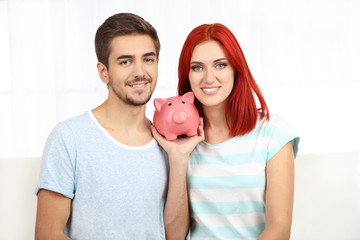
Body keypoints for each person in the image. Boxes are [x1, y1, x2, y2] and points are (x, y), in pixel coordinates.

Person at [35, 13, 203, 240]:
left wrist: (179, 158)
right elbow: (47, 234)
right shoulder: (69, 137)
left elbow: (174, 236)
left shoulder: (168, 145)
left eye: (148, 59)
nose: (140, 72)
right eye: (125, 61)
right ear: (104, 72)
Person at [176, 23, 300, 239]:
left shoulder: (273, 134)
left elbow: (279, 227)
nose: (208, 78)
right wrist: (177, 158)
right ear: (187, 76)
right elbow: (173, 233)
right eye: (197, 67)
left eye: (220, 65)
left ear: (236, 68)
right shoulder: (181, 143)